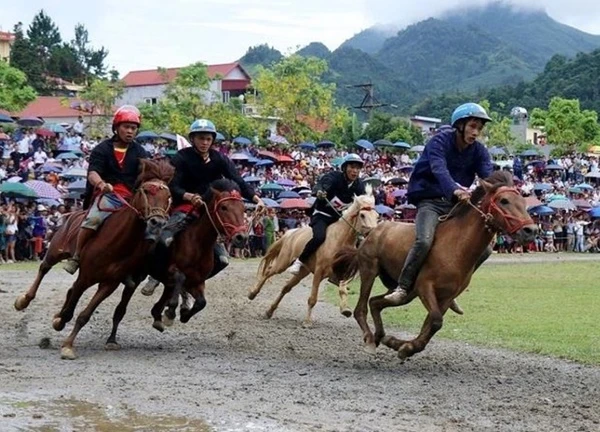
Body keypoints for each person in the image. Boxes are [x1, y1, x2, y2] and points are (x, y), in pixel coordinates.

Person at [385, 102, 494, 305]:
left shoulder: (479, 151)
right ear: (459, 125)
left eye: (479, 128)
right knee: (424, 240)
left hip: (456, 203)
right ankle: (403, 286)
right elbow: (439, 170)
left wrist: (504, 188)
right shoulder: (439, 142)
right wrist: (454, 189)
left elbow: (489, 177)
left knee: (486, 249)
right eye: (472, 126)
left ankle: (451, 288)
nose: (476, 132)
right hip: (430, 200)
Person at [159, 119, 264, 271]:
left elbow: (238, 180)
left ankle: (195, 281)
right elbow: (173, 185)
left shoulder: (219, 158)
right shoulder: (181, 157)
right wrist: (188, 196)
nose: (205, 142)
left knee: (222, 261)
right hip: (185, 204)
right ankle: (156, 274)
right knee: (165, 238)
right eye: (201, 138)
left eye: (208, 139)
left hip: (209, 208)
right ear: (192, 139)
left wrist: (256, 199)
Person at [62, 105, 149, 274]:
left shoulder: (141, 151)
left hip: (132, 199)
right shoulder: (102, 148)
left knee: (151, 226)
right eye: (126, 127)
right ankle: (77, 256)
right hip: (109, 196)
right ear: (116, 128)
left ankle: (139, 265)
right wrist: (102, 184)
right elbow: (93, 172)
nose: (130, 131)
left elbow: (146, 174)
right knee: (93, 219)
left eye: (133, 128)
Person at [288, 153, 366, 275]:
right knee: (319, 237)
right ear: (345, 168)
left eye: (358, 168)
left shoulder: (359, 185)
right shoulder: (333, 177)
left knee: (357, 239)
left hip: (339, 219)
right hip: (322, 215)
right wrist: (319, 192)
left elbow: (363, 201)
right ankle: (299, 261)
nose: (355, 171)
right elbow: (320, 186)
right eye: (352, 167)